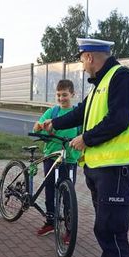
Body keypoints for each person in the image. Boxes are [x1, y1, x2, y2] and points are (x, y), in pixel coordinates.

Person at [40, 38, 129, 257]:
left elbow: (120, 119)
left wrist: (87, 138)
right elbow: (82, 111)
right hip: (100, 168)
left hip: (116, 170)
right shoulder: (102, 83)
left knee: (112, 232)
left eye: (82, 59)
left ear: (90, 57)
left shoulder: (121, 78)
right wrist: (54, 123)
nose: (82, 64)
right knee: (103, 227)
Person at [32, 79, 80, 238]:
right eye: (58, 95)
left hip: (70, 160)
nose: (61, 98)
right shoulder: (52, 112)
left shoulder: (77, 113)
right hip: (51, 157)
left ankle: (69, 228)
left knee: (67, 194)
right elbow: (37, 128)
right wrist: (39, 126)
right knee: (50, 190)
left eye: (65, 95)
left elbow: (82, 134)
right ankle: (50, 221)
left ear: (73, 94)